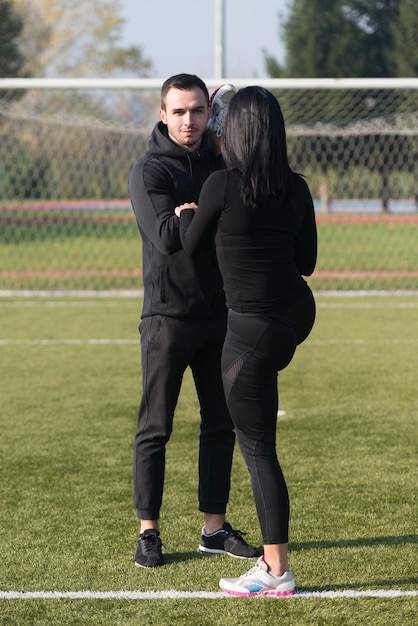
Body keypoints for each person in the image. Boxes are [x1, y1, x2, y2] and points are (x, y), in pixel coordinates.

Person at [176, 86, 317, 596]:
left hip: (251, 331)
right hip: (295, 318)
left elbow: (189, 249)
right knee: (259, 435)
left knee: (258, 450)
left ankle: (275, 571)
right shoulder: (297, 188)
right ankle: (272, 565)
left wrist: (187, 214)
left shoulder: (220, 185)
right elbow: (307, 263)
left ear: (232, 131)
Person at [128, 74, 260, 568]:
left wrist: (193, 213)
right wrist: (200, 216)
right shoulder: (149, 171)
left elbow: (236, 220)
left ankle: (213, 528)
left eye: (198, 111)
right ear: (163, 114)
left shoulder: (224, 163)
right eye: (179, 111)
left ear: (210, 113)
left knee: (219, 424)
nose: (189, 121)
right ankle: (149, 532)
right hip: (166, 318)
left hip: (219, 314)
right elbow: (166, 237)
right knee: (155, 427)